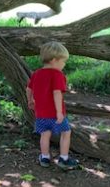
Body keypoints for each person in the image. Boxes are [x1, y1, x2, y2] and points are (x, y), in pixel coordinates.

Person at [26, 41, 79, 170]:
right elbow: (57, 93)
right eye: (63, 61)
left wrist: (30, 100)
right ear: (54, 60)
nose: (64, 65)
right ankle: (64, 159)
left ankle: (44, 157)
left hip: (41, 113)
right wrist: (59, 112)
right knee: (66, 132)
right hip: (55, 114)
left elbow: (28, 89)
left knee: (45, 135)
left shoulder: (36, 74)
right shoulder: (57, 75)